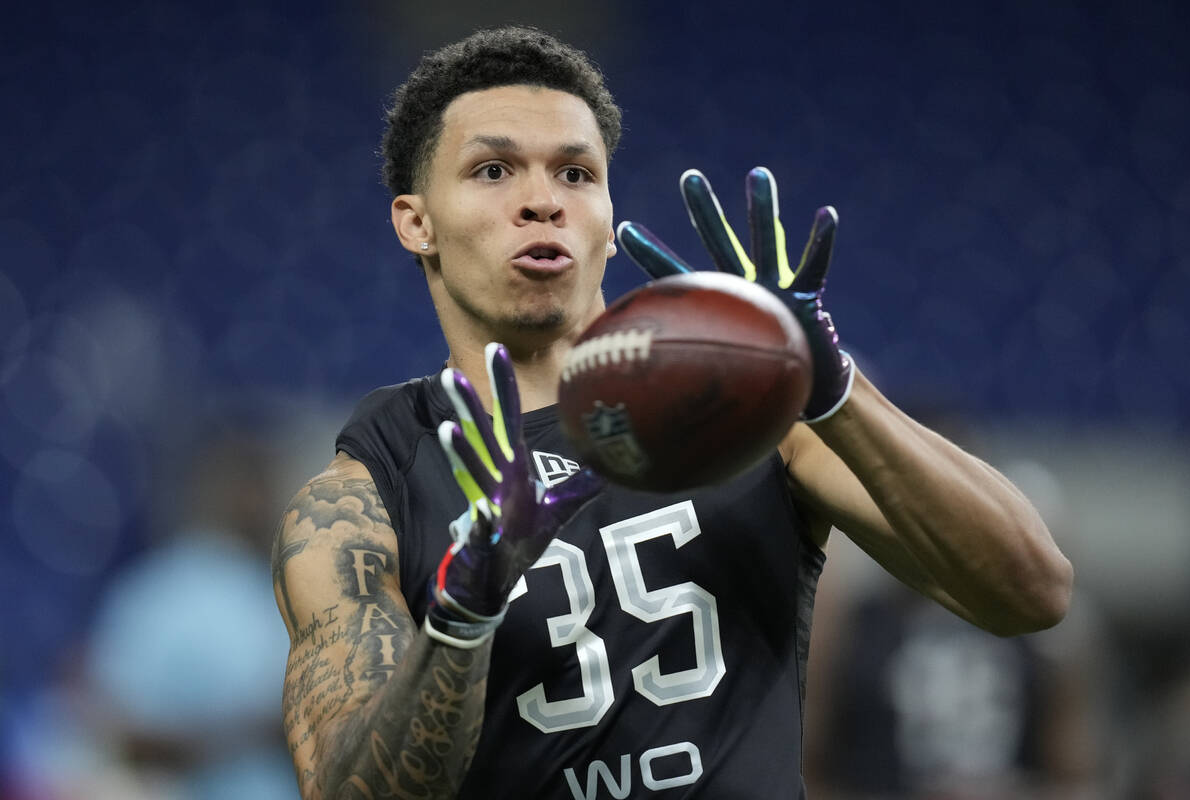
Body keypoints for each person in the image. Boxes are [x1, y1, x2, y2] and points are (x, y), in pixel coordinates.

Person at [271, 25, 1073, 800]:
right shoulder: (366, 491)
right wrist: (463, 616)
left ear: (608, 223)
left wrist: (832, 389)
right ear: (417, 223)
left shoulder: (747, 411)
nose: (543, 201)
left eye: (576, 174)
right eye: (493, 171)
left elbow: (1031, 593)